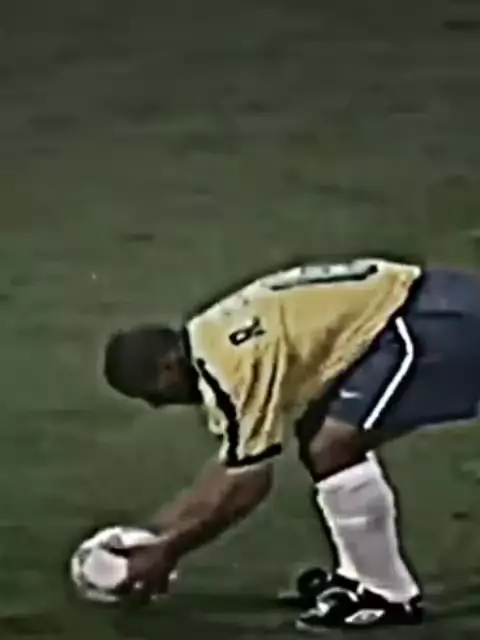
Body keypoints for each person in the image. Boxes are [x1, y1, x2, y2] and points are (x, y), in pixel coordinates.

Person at [98, 258, 480, 631]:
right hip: (430, 303)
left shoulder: (230, 370)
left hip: (427, 326)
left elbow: (248, 483)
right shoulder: (210, 338)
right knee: (321, 437)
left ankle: (385, 594)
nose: (157, 405)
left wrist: (169, 550)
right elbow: (233, 464)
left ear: (168, 366)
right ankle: (361, 579)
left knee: (332, 446)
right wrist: (157, 533)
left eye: (152, 392)